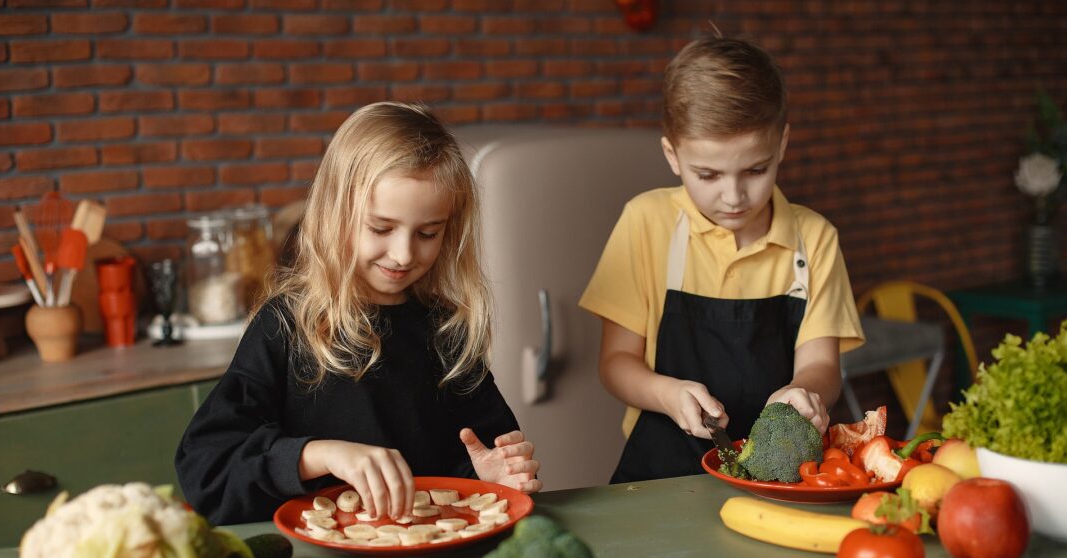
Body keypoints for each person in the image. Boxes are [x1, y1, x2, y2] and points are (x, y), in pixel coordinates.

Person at [176, 102, 541, 524]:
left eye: (428, 233)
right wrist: (317, 454)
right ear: (336, 212)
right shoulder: (285, 326)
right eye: (381, 228)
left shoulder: (447, 332)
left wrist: (493, 477)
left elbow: (478, 469)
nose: (404, 254)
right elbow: (207, 470)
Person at [579, 35, 864, 483]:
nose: (733, 197)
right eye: (708, 175)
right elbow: (615, 363)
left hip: (780, 477)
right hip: (660, 472)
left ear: (782, 145)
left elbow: (825, 366)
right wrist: (667, 393)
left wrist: (802, 391)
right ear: (672, 155)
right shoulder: (646, 222)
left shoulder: (815, 239)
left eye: (755, 170)